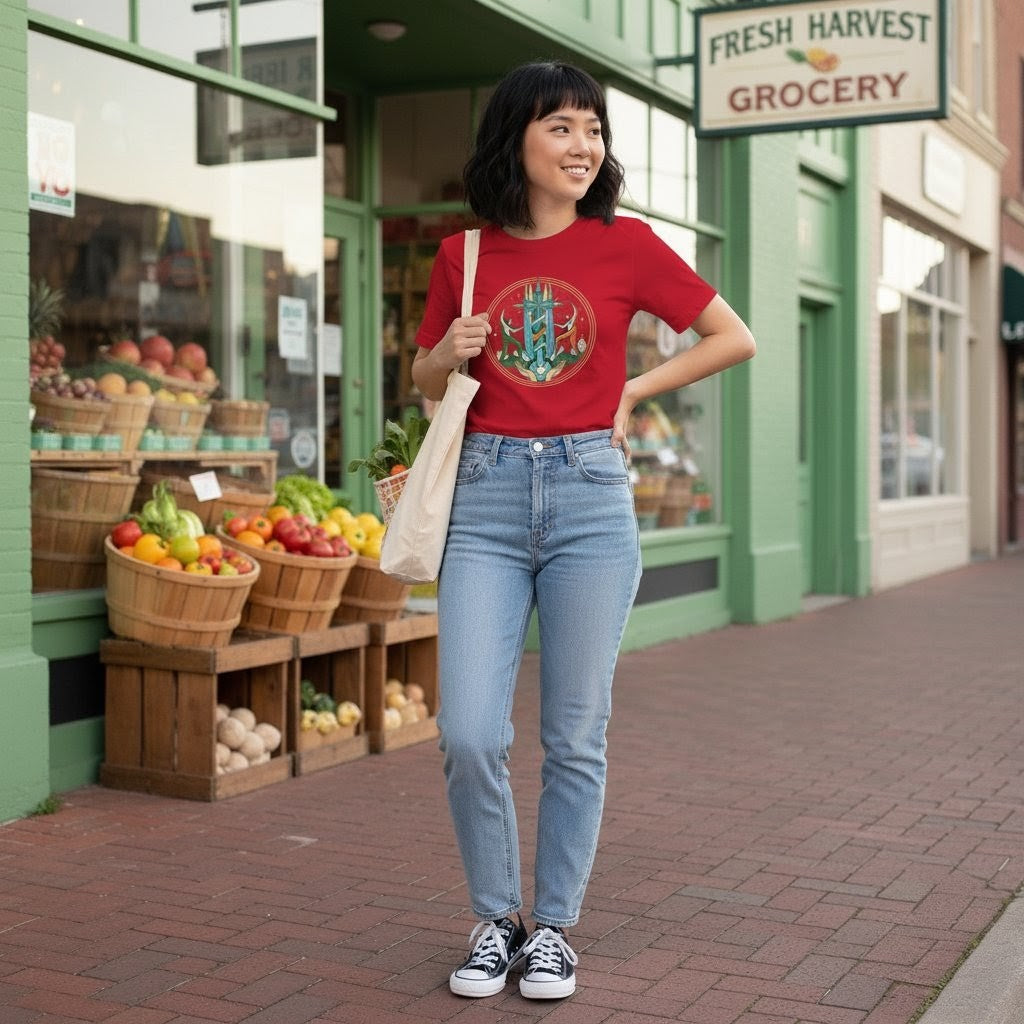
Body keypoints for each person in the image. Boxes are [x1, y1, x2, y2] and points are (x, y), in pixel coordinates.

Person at [411, 60, 756, 1001]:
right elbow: (425, 382)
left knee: (574, 734)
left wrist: (631, 391)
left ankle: (552, 927)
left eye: (593, 129)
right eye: (561, 127)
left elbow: (734, 336)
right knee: (472, 731)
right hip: (482, 502)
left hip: (589, 498)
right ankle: (495, 916)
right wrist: (448, 352)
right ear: (515, 138)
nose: (583, 145)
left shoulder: (627, 245)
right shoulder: (464, 255)